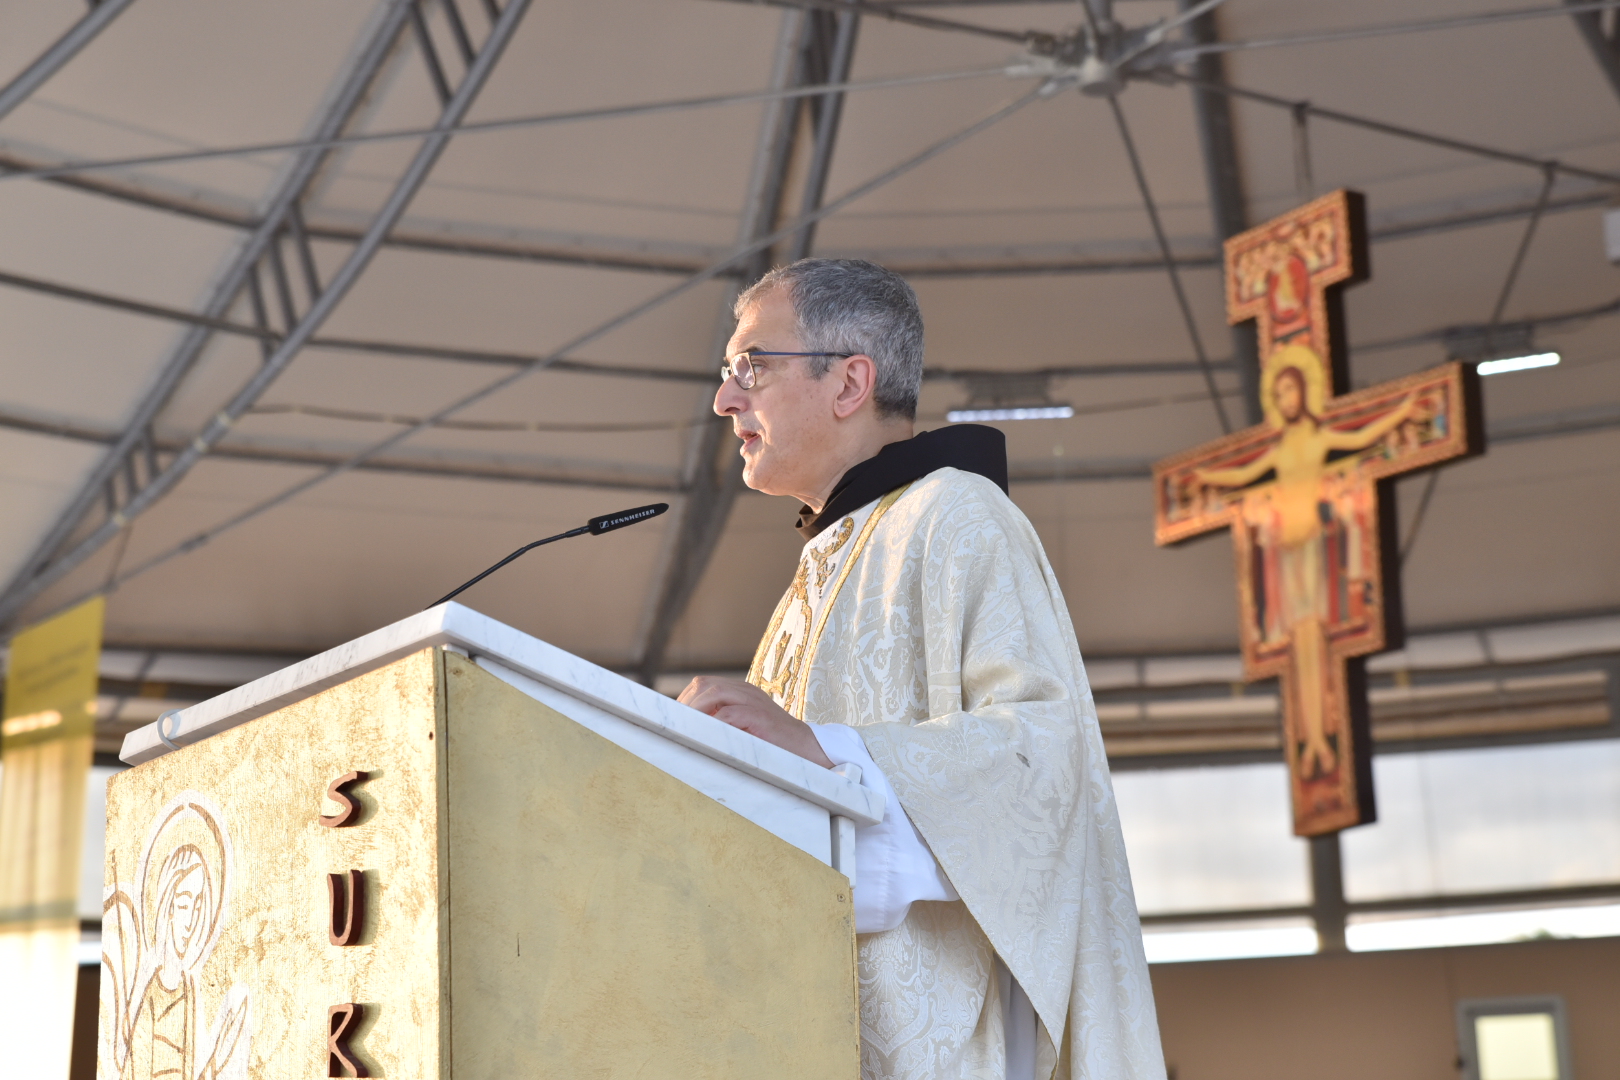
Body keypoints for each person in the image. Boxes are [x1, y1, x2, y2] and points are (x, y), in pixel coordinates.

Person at [677, 259, 1163, 1080]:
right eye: (729, 374)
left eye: (751, 367)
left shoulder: (958, 515)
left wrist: (823, 752)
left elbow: (1040, 762)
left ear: (849, 382)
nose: (727, 399)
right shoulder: (818, 571)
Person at [1194, 345, 1414, 779]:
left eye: (1292, 389)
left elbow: (1361, 439)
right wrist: (1208, 478)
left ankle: (1318, 739)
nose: (1286, 399)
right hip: (1286, 556)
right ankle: (1312, 740)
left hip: (1316, 550)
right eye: (1280, 394)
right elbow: (1243, 476)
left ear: (1305, 393)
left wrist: (1402, 411)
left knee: (1314, 641)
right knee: (1299, 646)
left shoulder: (1317, 438)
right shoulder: (1281, 448)